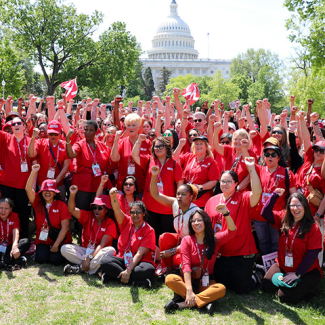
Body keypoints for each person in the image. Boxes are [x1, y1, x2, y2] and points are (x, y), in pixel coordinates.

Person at [204, 157, 262, 294]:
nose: (225, 184)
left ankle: (257, 274)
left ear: (236, 184)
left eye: (229, 181)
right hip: (221, 253)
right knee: (223, 285)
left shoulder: (243, 198)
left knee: (241, 289)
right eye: (223, 181)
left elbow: (257, 193)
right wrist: (213, 247)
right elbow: (207, 227)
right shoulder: (212, 200)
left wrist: (251, 168)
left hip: (240, 252)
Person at [164, 208, 237, 312]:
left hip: (206, 283)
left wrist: (226, 213)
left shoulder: (214, 240)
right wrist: (189, 290)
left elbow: (232, 231)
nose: (196, 223)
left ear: (205, 221)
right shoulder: (187, 240)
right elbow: (186, 266)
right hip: (188, 281)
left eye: (199, 220)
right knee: (169, 279)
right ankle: (203, 301)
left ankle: (181, 304)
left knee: (221, 289)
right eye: (193, 221)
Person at [261, 190, 323, 303]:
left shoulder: (313, 228)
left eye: (299, 205)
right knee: (266, 286)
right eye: (293, 205)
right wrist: (274, 196)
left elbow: (312, 255)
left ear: (305, 206)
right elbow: (265, 212)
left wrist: (297, 274)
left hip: (306, 271)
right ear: (288, 207)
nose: (296, 208)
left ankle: (309, 289)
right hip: (283, 266)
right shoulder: (283, 219)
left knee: (284, 296)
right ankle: (287, 283)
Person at [100, 188, 156, 287]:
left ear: (143, 214)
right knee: (105, 261)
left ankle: (113, 276)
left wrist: (129, 270)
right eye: (132, 212)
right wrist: (113, 197)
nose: (135, 215)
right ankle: (136, 282)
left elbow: (139, 254)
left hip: (140, 261)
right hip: (123, 259)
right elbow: (117, 210)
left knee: (148, 270)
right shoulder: (126, 221)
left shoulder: (149, 230)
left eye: (138, 212)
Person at [132, 135, 183, 241]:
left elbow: (180, 183)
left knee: (165, 238)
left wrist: (179, 201)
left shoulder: (174, 164)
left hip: (167, 208)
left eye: (161, 146)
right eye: (156, 146)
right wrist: (138, 141)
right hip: (150, 206)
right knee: (151, 238)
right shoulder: (149, 160)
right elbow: (135, 155)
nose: (158, 148)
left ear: (167, 148)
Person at [150, 166, 200, 274]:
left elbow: (195, 239)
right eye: (178, 194)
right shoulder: (175, 204)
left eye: (183, 194)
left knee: (177, 258)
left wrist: (172, 251)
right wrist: (154, 176)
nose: (179, 197)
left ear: (191, 197)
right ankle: (168, 271)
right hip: (181, 239)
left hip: (193, 244)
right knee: (164, 237)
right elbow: (155, 194)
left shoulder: (196, 212)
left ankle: (181, 270)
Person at [62, 185, 117, 275]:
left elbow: (102, 245)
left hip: (99, 252)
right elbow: (71, 210)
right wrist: (72, 194)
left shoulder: (110, 223)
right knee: (64, 248)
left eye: (100, 208)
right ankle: (92, 269)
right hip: (85, 250)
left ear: (106, 210)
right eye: (94, 207)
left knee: (111, 250)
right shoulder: (88, 215)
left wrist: (90, 257)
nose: (96, 210)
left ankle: (80, 268)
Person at [252, 145, 296, 256]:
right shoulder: (258, 169)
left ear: (279, 157)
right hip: (259, 215)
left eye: (273, 154)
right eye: (267, 154)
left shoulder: (286, 173)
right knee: (263, 242)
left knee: (276, 242)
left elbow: (294, 195)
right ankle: (266, 268)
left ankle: (275, 267)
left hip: (277, 215)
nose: (270, 157)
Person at [25, 164, 72, 265]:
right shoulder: (37, 202)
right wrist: (33, 172)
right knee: (41, 259)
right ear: (41, 192)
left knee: (55, 260)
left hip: (59, 240)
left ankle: (59, 251)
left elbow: (65, 228)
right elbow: (28, 189)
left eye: (51, 191)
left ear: (55, 193)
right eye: (45, 190)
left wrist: (56, 245)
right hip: (43, 240)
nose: (47, 193)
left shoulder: (61, 205)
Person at [0, 116, 33, 239]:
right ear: (11, 127)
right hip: (7, 184)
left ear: (24, 126)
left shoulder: (31, 141)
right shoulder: (5, 138)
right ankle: (6, 238)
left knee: (23, 213)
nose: (16, 125)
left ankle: (23, 238)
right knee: (6, 213)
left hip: (24, 185)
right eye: (14, 124)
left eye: (19, 123)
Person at [66, 120, 110, 210]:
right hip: (82, 185)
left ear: (96, 131)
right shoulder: (80, 144)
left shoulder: (101, 145)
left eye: (91, 130)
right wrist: (67, 140)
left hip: (98, 185)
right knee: (83, 212)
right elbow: (71, 154)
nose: (88, 132)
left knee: (97, 211)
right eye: (86, 130)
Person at [27, 120, 70, 200]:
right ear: (47, 133)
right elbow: (31, 154)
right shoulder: (40, 142)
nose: (53, 136)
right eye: (51, 134)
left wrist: (56, 181)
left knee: (60, 206)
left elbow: (66, 165)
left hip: (59, 184)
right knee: (43, 208)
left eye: (56, 134)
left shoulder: (65, 145)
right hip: (42, 183)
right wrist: (33, 138)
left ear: (60, 133)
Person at [111, 113, 151, 193]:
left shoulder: (146, 142)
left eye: (134, 125)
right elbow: (115, 159)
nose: (131, 127)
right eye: (128, 125)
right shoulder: (121, 142)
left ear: (139, 127)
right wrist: (116, 140)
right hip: (125, 185)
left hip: (141, 185)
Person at [179, 136, 219, 208]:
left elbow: (213, 182)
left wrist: (200, 187)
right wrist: (180, 145)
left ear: (206, 147)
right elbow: (174, 159)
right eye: (197, 144)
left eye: (201, 143)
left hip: (202, 199)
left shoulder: (211, 162)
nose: (199, 146)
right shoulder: (189, 157)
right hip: (187, 198)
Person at [213, 125, 257, 191]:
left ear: (246, 141)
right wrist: (216, 132)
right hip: (227, 188)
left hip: (242, 190)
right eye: (236, 139)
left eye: (241, 139)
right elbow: (216, 146)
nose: (238, 141)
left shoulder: (251, 154)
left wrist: (238, 188)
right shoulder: (229, 150)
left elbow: (250, 174)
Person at [0, 198, 30, 270]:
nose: (3, 211)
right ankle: (15, 260)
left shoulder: (14, 216)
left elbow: (16, 232)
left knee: (25, 242)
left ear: (10, 209)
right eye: (1, 208)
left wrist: (14, 247)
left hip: (9, 246)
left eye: (6, 208)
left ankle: (3, 261)